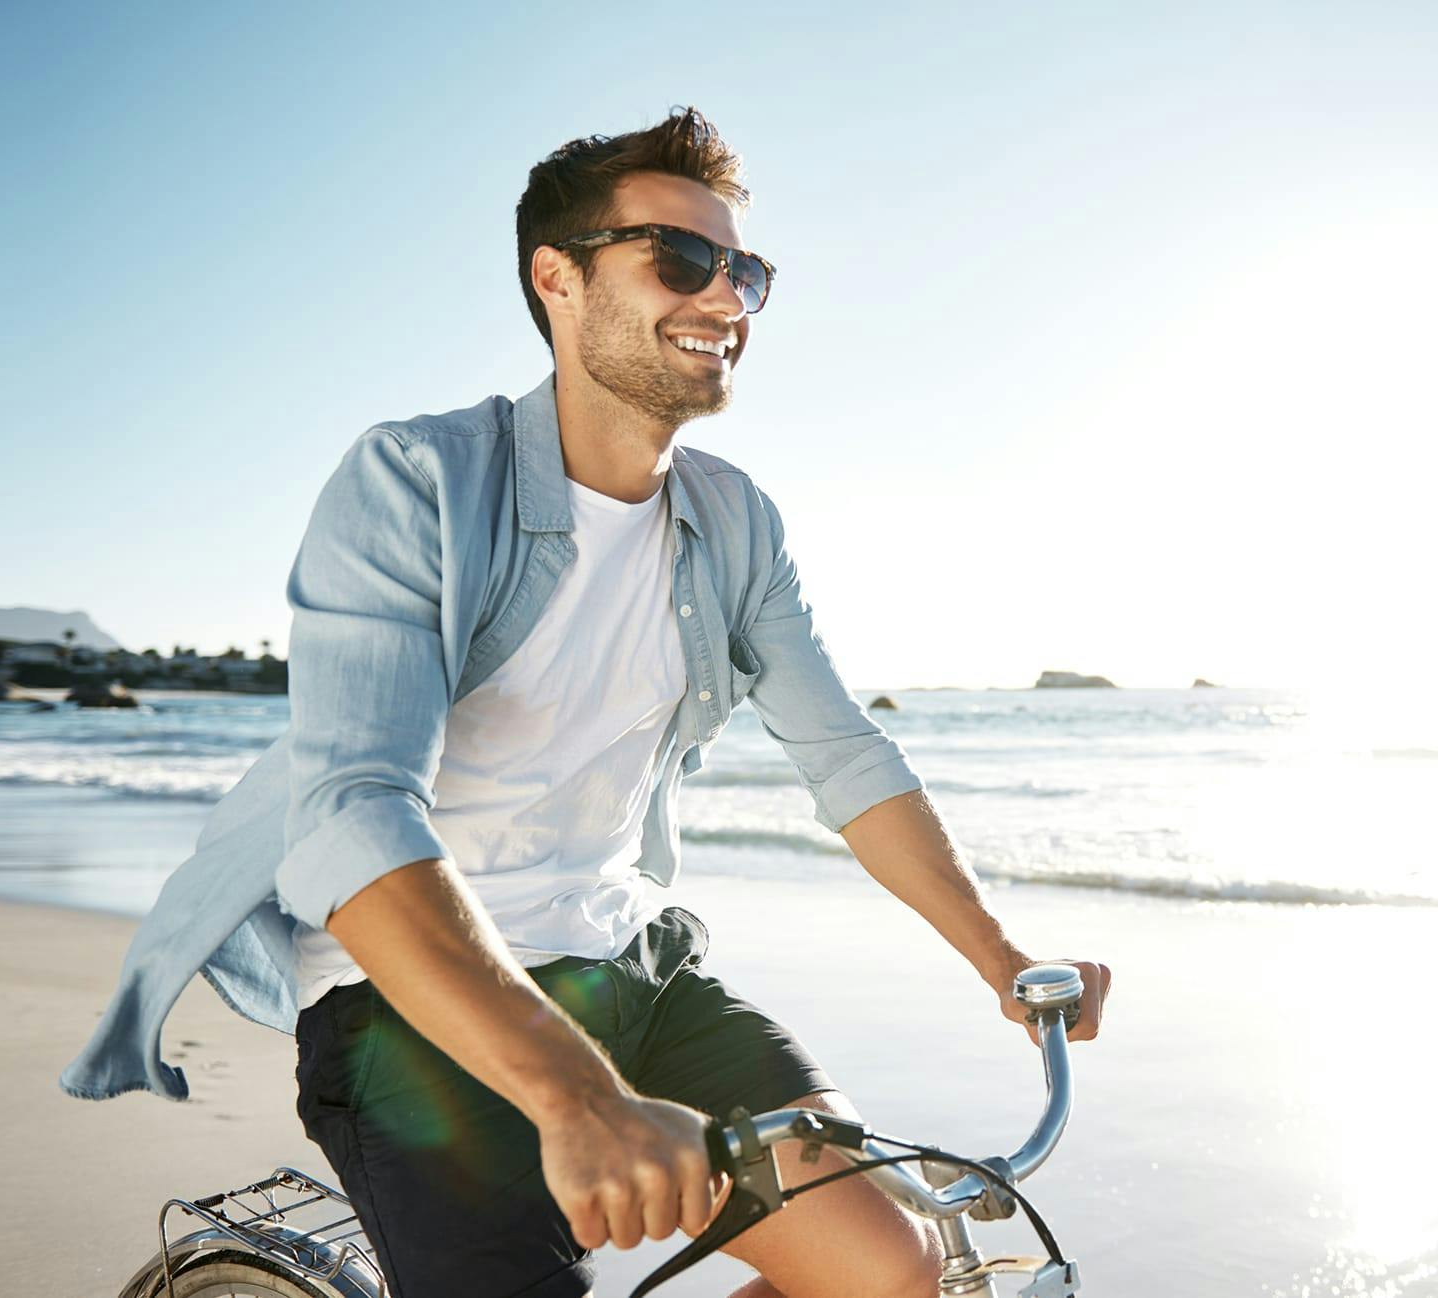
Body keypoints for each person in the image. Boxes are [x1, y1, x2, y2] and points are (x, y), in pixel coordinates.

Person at [61, 105, 1110, 1298]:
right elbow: (356, 811)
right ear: (555, 279)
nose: (725, 300)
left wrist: (1007, 958)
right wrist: (577, 1094)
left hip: (630, 965)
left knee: (891, 1268)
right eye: (681, 259)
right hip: (411, 1009)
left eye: (746, 272)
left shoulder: (734, 520)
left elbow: (847, 758)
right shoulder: (417, 480)